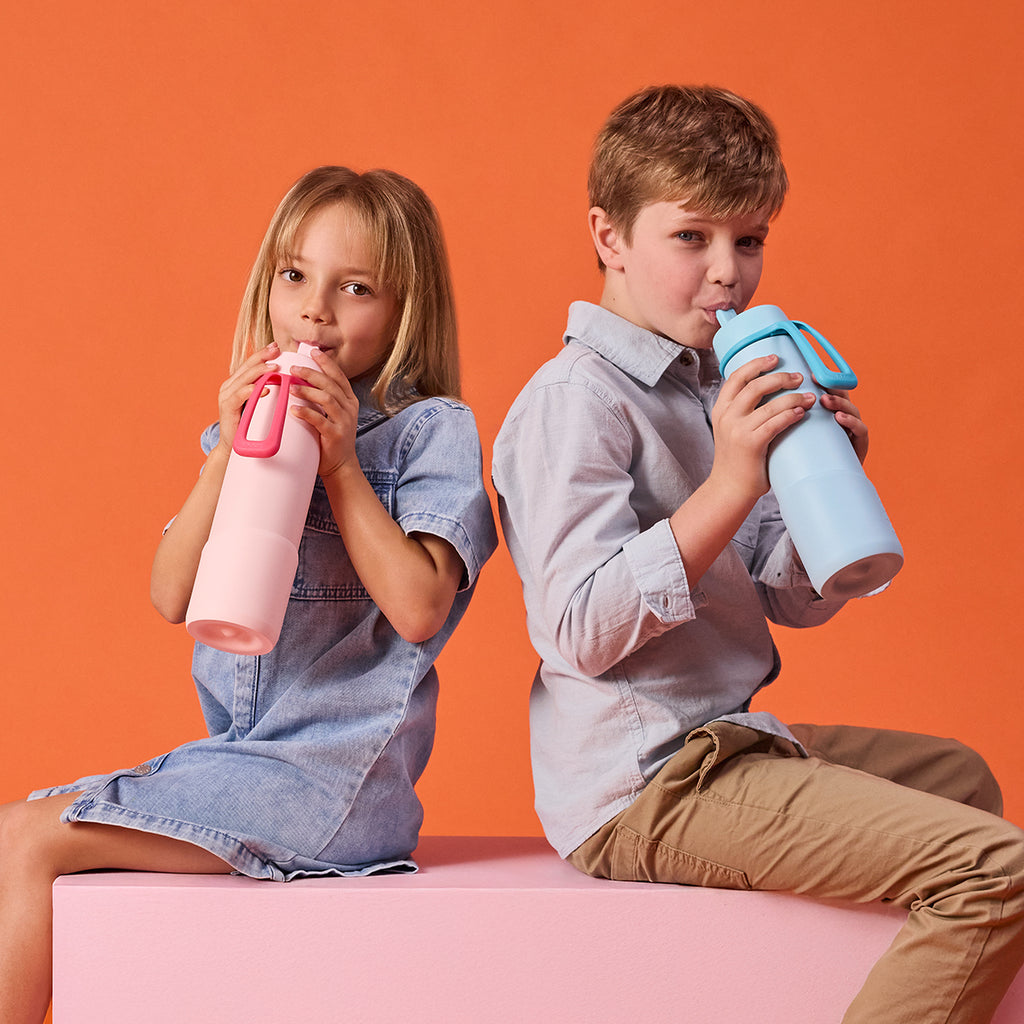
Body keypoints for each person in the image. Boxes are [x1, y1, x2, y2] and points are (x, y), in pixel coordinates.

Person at [491, 85, 1024, 1023]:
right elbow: (577, 629)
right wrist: (733, 481)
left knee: (964, 778)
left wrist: (830, 496)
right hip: (647, 782)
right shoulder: (575, 400)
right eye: (692, 238)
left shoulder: (717, 386)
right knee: (996, 870)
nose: (728, 273)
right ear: (609, 236)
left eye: (750, 240)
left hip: (728, 739)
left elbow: (792, 602)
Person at [0, 165, 497, 1023]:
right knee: (21, 824)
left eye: (356, 288)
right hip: (241, 761)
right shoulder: (247, 432)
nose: (317, 310)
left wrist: (342, 466)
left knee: (23, 839)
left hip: (334, 784)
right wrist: (224, 458)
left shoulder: (431, 432)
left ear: (406, 308)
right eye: (296, 276)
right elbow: (170, 595)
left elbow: (420, 606)